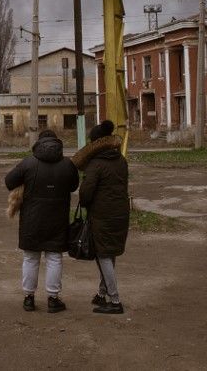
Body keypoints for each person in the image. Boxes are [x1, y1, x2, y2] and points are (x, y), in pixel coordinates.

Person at [4, 129, 79, 313]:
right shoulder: (67, 164)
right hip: (57, 219)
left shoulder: (28, 163)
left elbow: (9, 182)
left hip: (32, 219)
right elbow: (74, 185)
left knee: (31, 258)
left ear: (39, 144)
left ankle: (29, 298)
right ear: (57, 143)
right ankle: (53, 299)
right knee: (54, 258)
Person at [78, 120, 130, 315]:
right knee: (109, 252)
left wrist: (84, 203)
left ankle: (115, 300)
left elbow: (86, 193)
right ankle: (102, 293)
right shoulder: (120, 160)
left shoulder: (96, 164)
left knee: (103, 254)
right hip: (120, 212)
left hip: (102, 214)